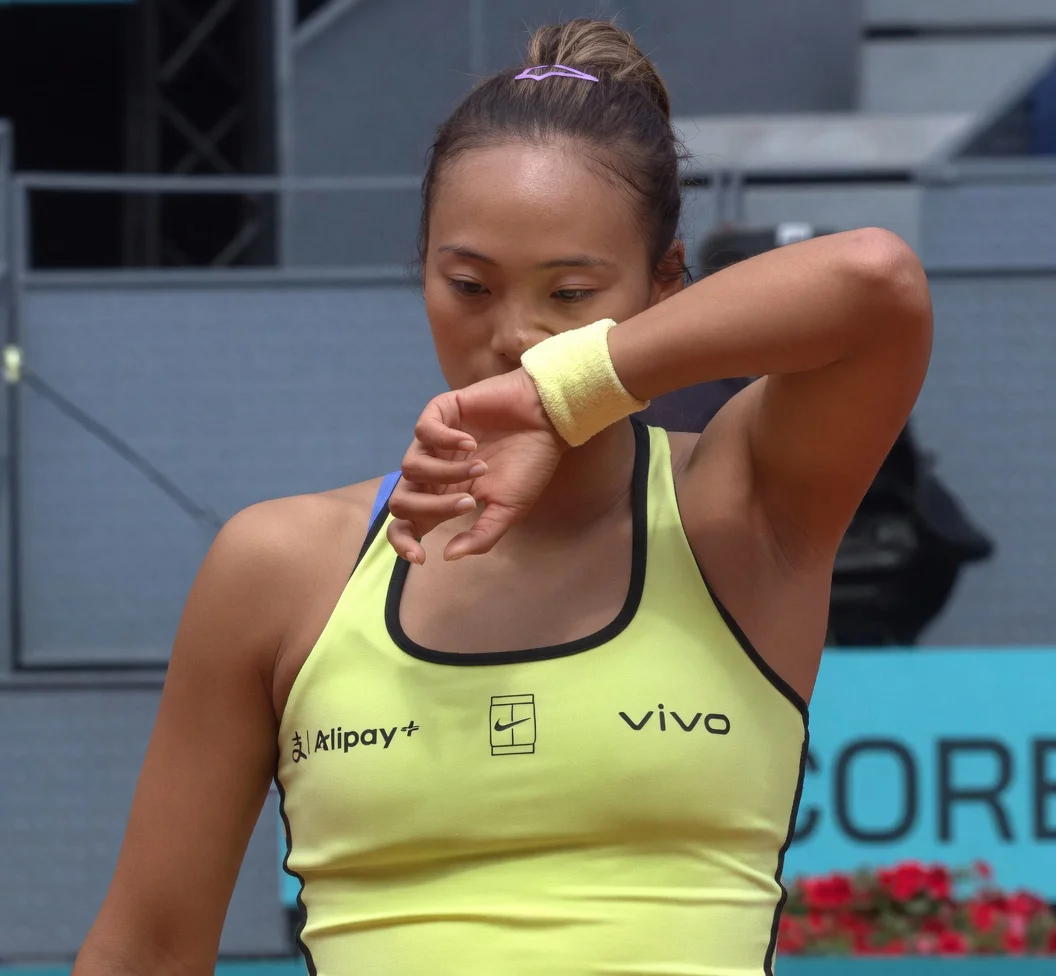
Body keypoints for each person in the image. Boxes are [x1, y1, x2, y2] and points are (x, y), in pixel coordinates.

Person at [72, 19, 932, 976]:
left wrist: (560, 391)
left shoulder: (736, 511)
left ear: (667, 284)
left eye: (569, 294)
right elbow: (145, 950)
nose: (515, 334)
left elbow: (876, 283)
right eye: (470, 284)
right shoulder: (279, 568)